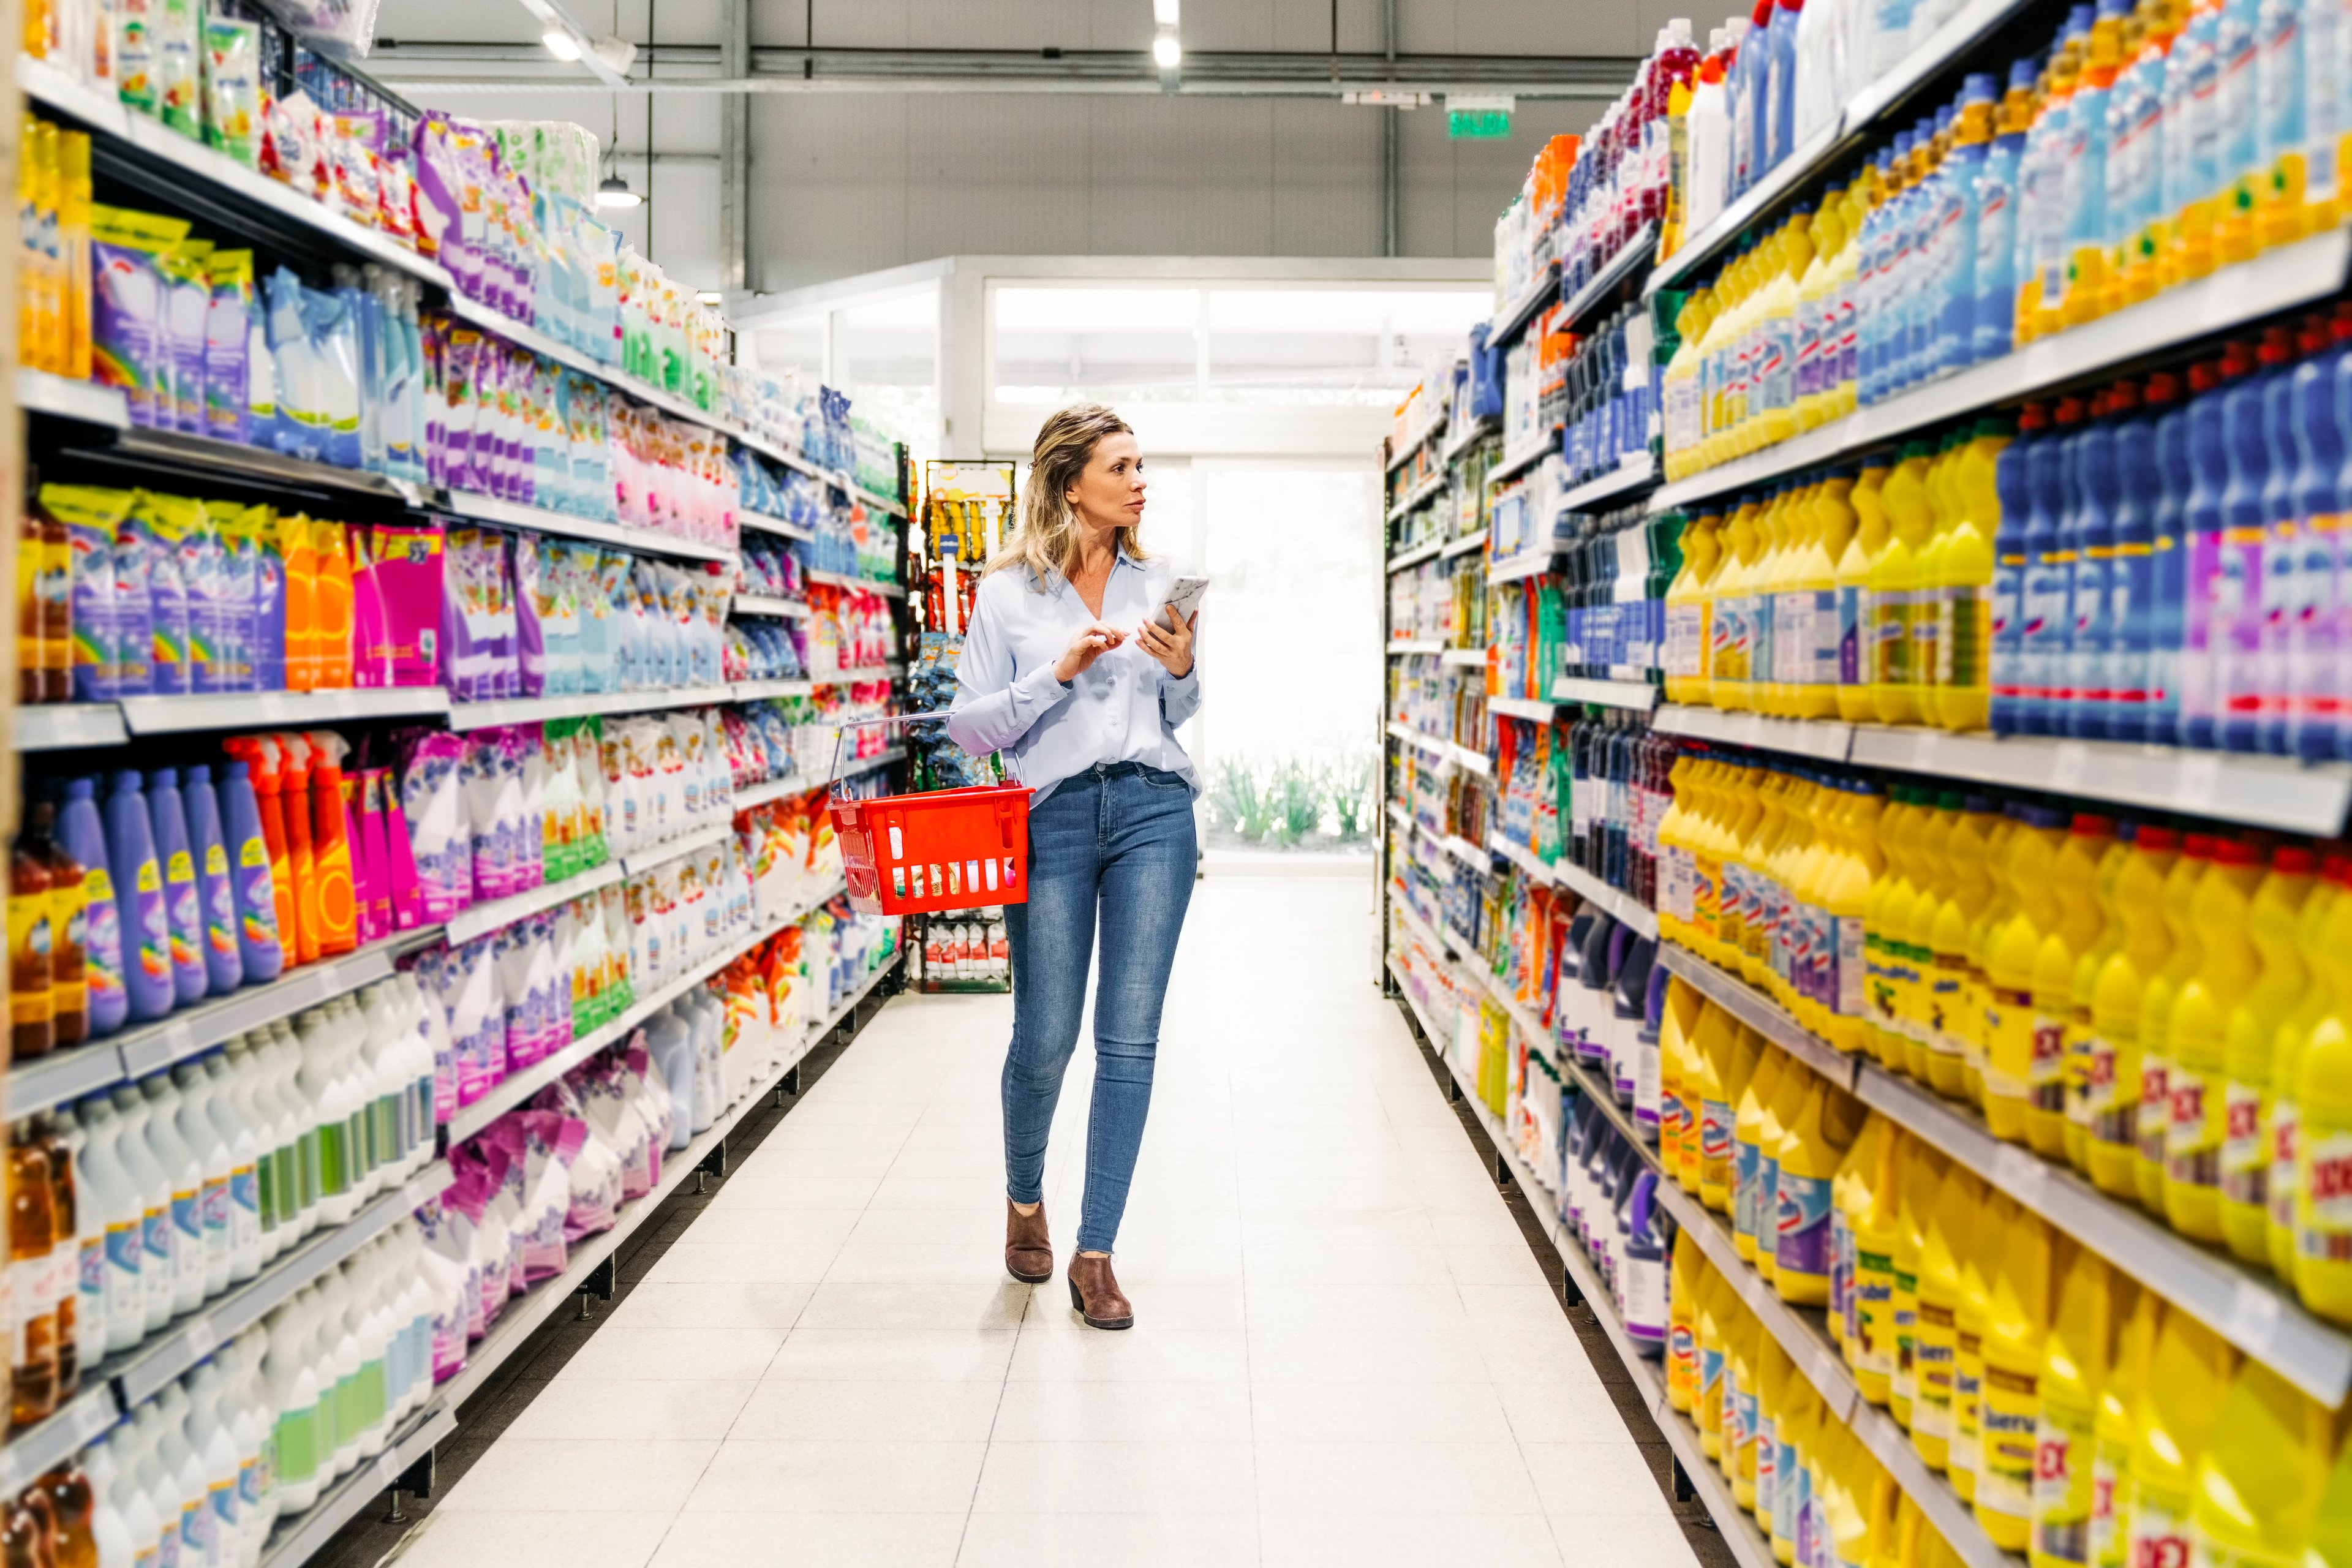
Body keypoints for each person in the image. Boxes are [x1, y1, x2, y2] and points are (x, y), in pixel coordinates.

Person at [946, 402, 1201, 1330]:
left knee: (1129, 1038)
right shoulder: (1009, 591)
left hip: (1153, 813)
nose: (1141, 481)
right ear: (1070, 482)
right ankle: (1024, 1198)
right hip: (1050, 818)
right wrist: (1049, 677)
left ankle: (1097, 1253)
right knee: (1045, 1037)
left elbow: (1181, 712)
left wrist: (1181, 670)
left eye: (1142, 464)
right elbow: (968, 727)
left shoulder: (1162, 580)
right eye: (1123, 465)